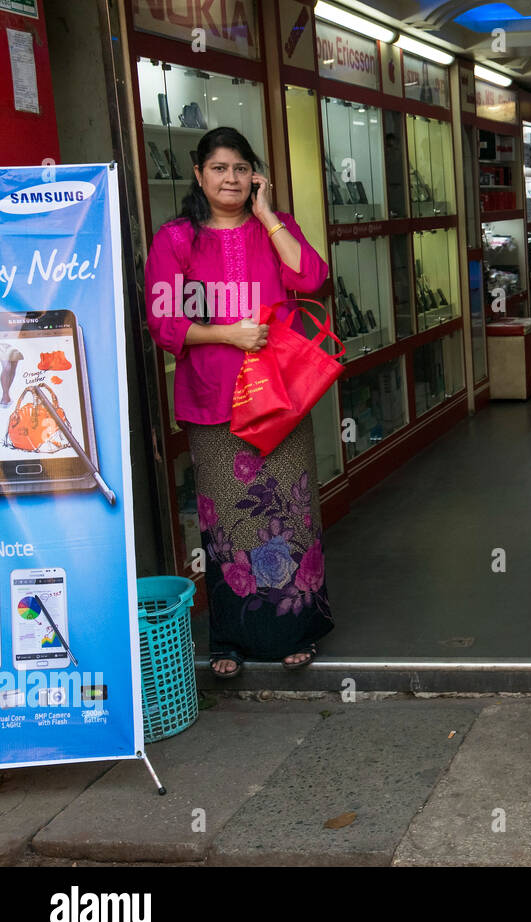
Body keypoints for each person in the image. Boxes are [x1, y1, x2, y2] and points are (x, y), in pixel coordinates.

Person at [144, 127, 333, 678]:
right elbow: (163, 320)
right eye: (219, 168)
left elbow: (312, 278)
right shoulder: (176, 239)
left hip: (279, 397)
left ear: (256, 175)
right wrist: (228, 334)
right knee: (225, 519)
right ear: (199, 174)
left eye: (241, 168)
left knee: (289, 511)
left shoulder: (273, 229)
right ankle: (230, 638)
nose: (231, 178)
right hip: (213, 400)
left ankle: (297, 631)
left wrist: (269, 213)